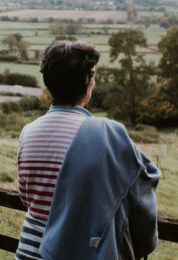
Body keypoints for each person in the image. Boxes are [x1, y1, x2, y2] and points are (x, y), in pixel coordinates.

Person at [15, 40, 160, 260]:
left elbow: (26, 198)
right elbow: (139, 197)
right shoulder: (109, 135)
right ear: (88, 84)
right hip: (83, 252)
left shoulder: (28, 132)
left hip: (30, 251)